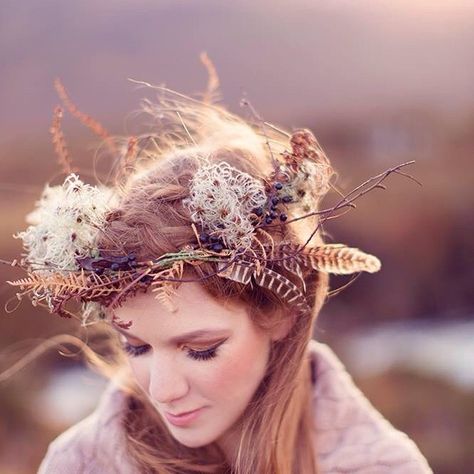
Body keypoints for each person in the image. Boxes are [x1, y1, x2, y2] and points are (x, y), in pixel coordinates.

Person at [6, 81, 432, 473]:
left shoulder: (385, 465)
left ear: (282, 311)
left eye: (201, 350)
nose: (163, 389)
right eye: (136, 347)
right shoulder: (79, 464)